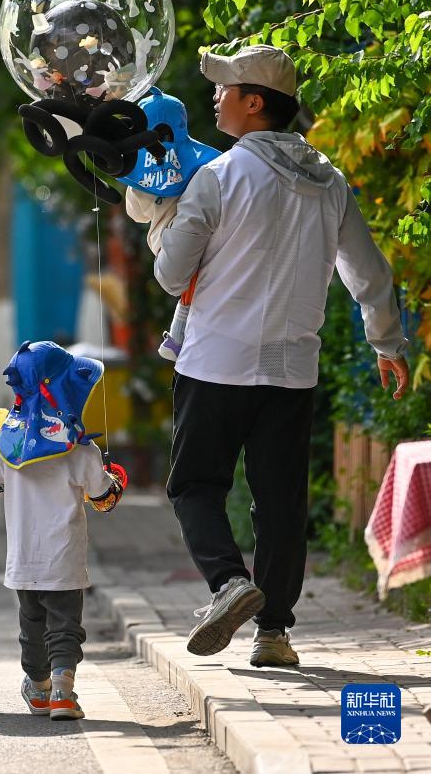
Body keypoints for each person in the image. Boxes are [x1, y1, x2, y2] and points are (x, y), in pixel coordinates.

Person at [126, 44, 409, 668]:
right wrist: (387, 343)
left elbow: (174, 276)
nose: (217, 99)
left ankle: (229, 583)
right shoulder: (328, 181)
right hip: (292, 370)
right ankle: (275, 633)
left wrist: (160, 216)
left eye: (226, 90)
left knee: (195, 486)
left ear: (254, 104)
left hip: (216, 363)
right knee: (280, 500)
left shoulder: (219, 178)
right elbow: (369, 274)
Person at [0, 340, 124, 720]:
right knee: (65, 626)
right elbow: (103, 495)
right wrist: (116, 480)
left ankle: (38, 688)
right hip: (65, 561)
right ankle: (63, 691)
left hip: (24, 561)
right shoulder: (80, 449)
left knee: (32, 627)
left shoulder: (9, 444)